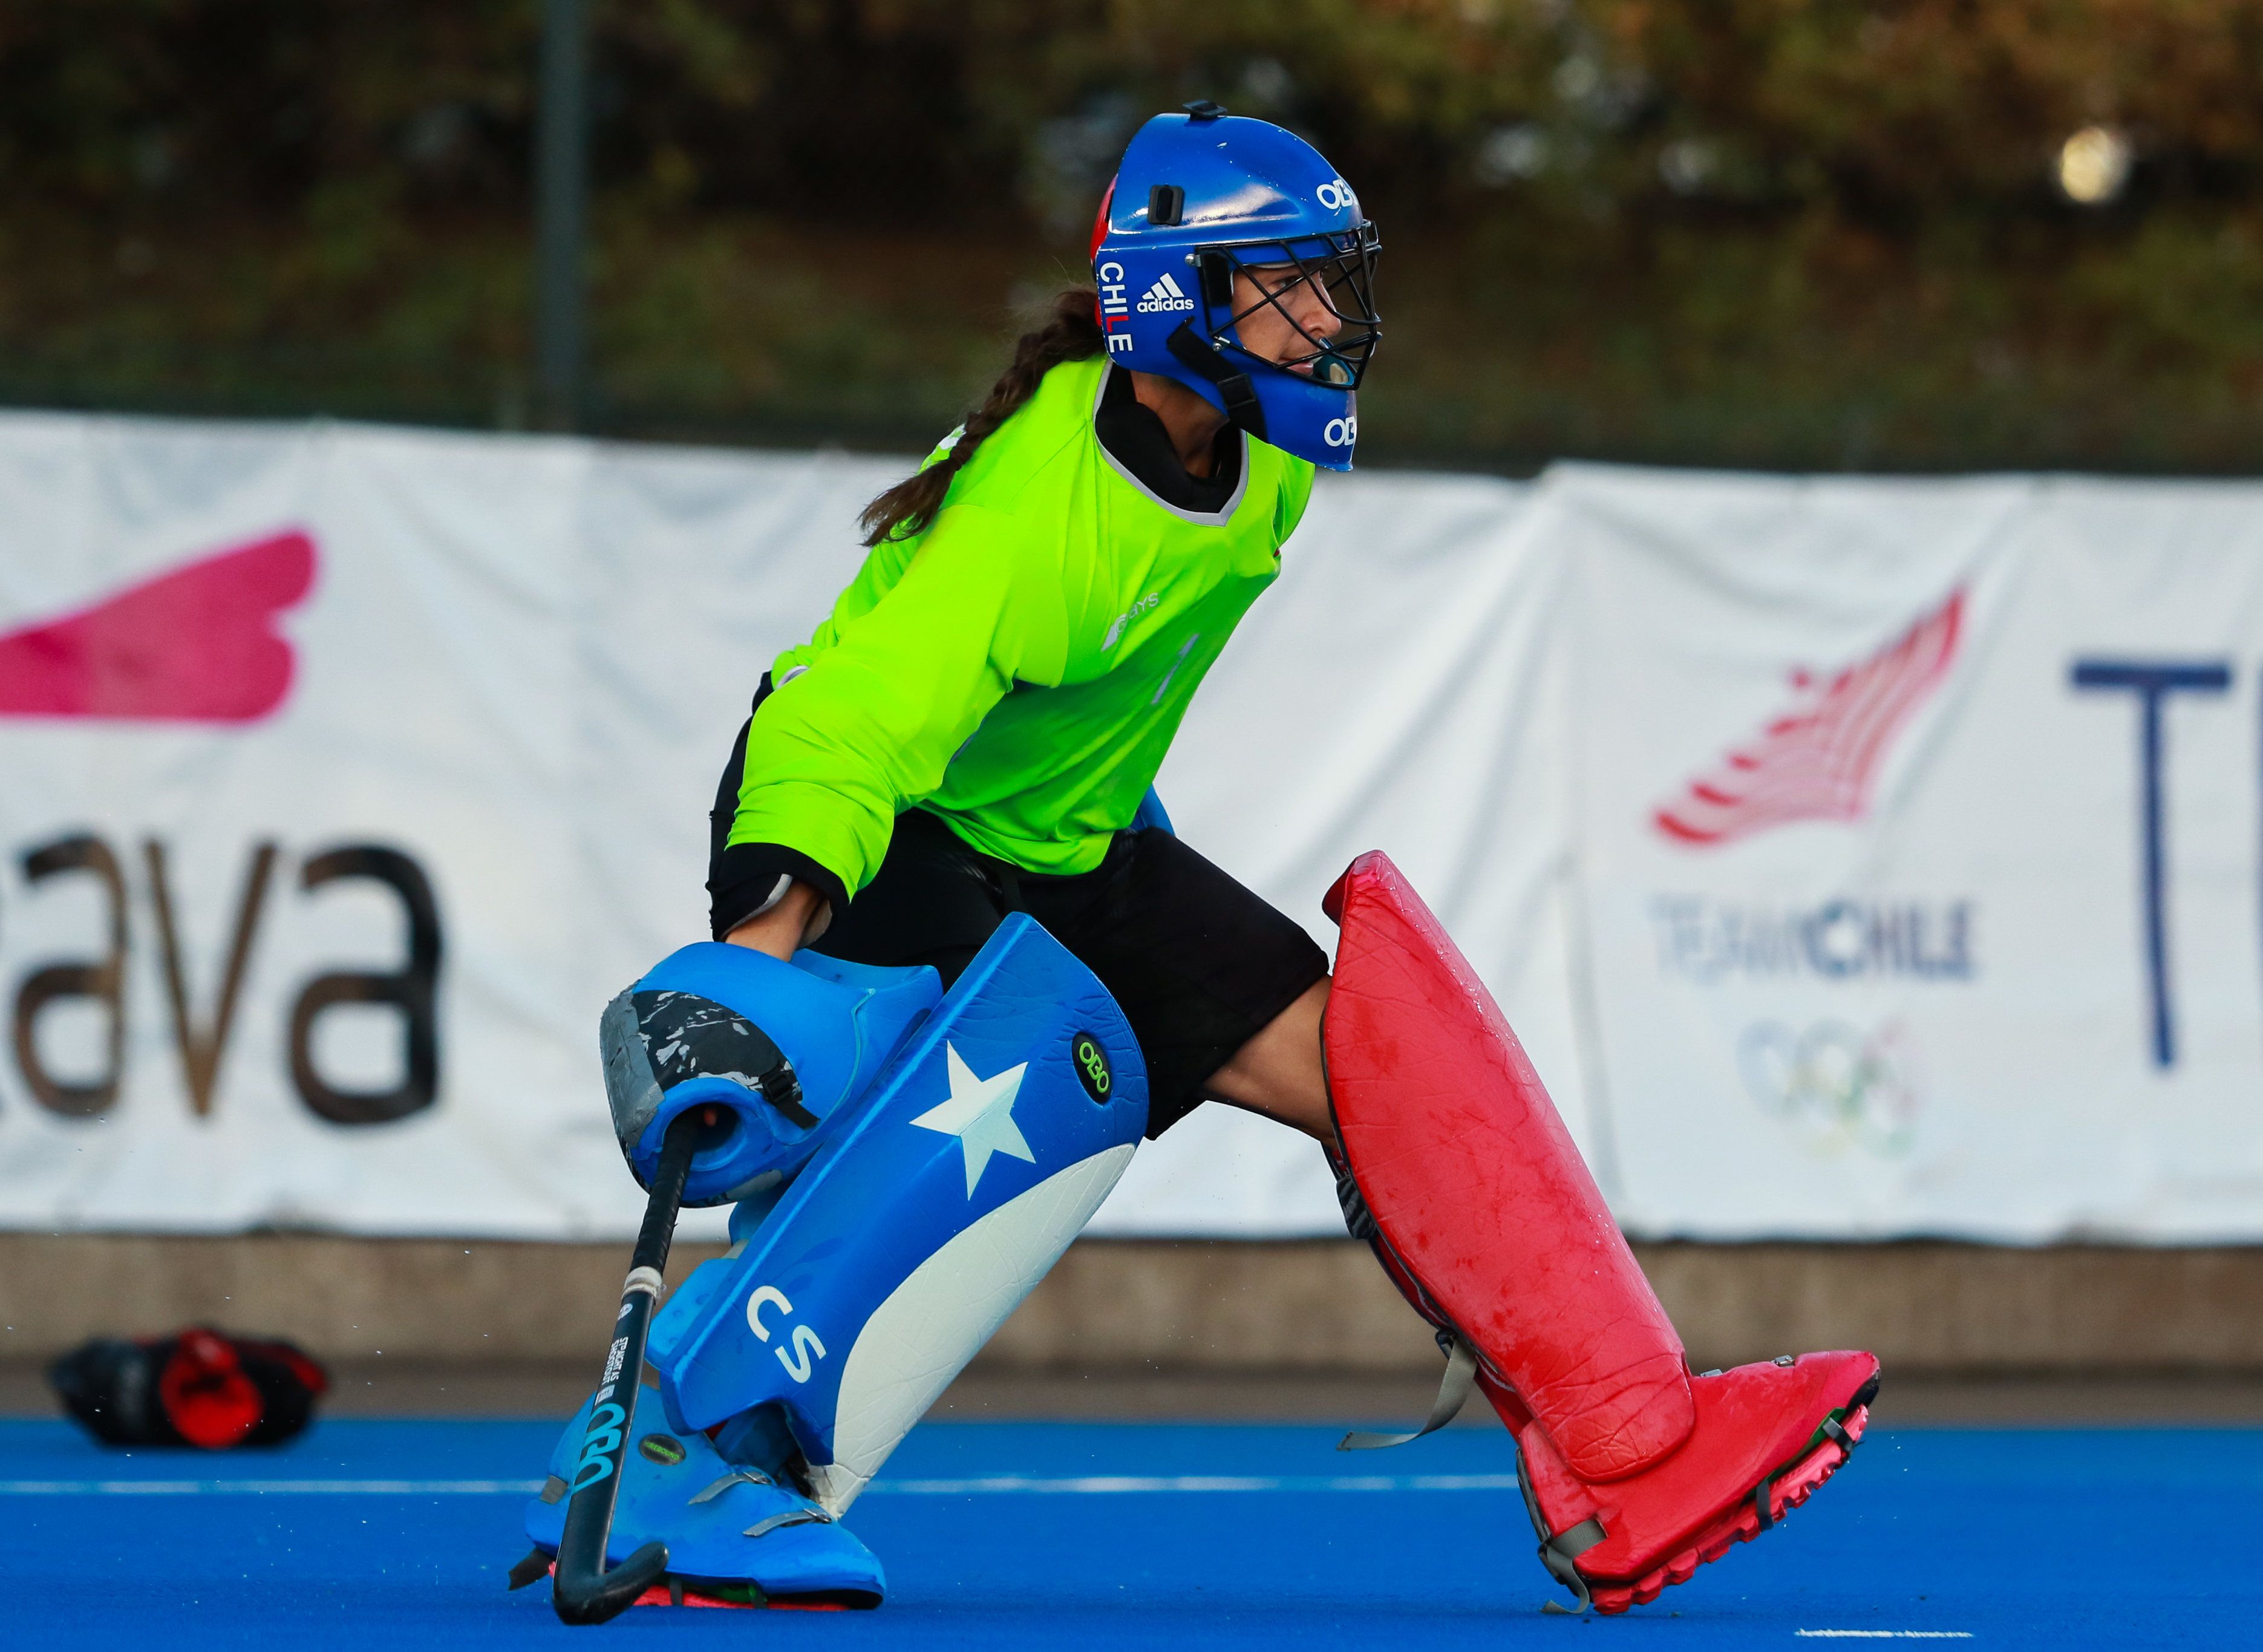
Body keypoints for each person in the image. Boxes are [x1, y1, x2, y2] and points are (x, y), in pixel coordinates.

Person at [544, 103, 1877, 1618]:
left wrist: (1122, 827)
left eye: (1327, 281)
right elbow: (850, 720)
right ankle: (694, 1448)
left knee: (1372, 1063)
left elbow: (1110, 686)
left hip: (1069, 836)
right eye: (1284, 283)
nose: (1324, 319)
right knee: (979, 1103)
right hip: (875, 826)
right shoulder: (1029, 512)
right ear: (1177, 300)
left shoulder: (1264, 451)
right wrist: (754, 966)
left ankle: (1623, 1450)